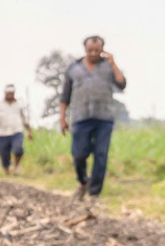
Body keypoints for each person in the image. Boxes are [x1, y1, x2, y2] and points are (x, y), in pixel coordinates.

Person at [59, 34, 127, 201]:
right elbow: (65, 95)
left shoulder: (108, 67)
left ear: (102, 50)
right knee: (79, 153)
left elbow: (121, 84)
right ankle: (83, 182)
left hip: (104, 117)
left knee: (101, 154)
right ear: (85, 49)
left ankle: (94, 192)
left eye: (97, 50)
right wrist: (62, 118)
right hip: (81, 117)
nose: (94, 53)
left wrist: (113, 62)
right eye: (90, 50)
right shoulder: (74, 68)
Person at [0, 84, 33, 175]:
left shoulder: (19, 104)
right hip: (1, 133)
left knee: (18, 149)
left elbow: (25, 119)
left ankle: (16, 167)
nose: (10, 95)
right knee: (4, 154)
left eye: (11, 94)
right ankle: (6, 171)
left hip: (16, 131)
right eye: (8, 94)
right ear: (5, 93)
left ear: (14, 93)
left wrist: (29, 132)